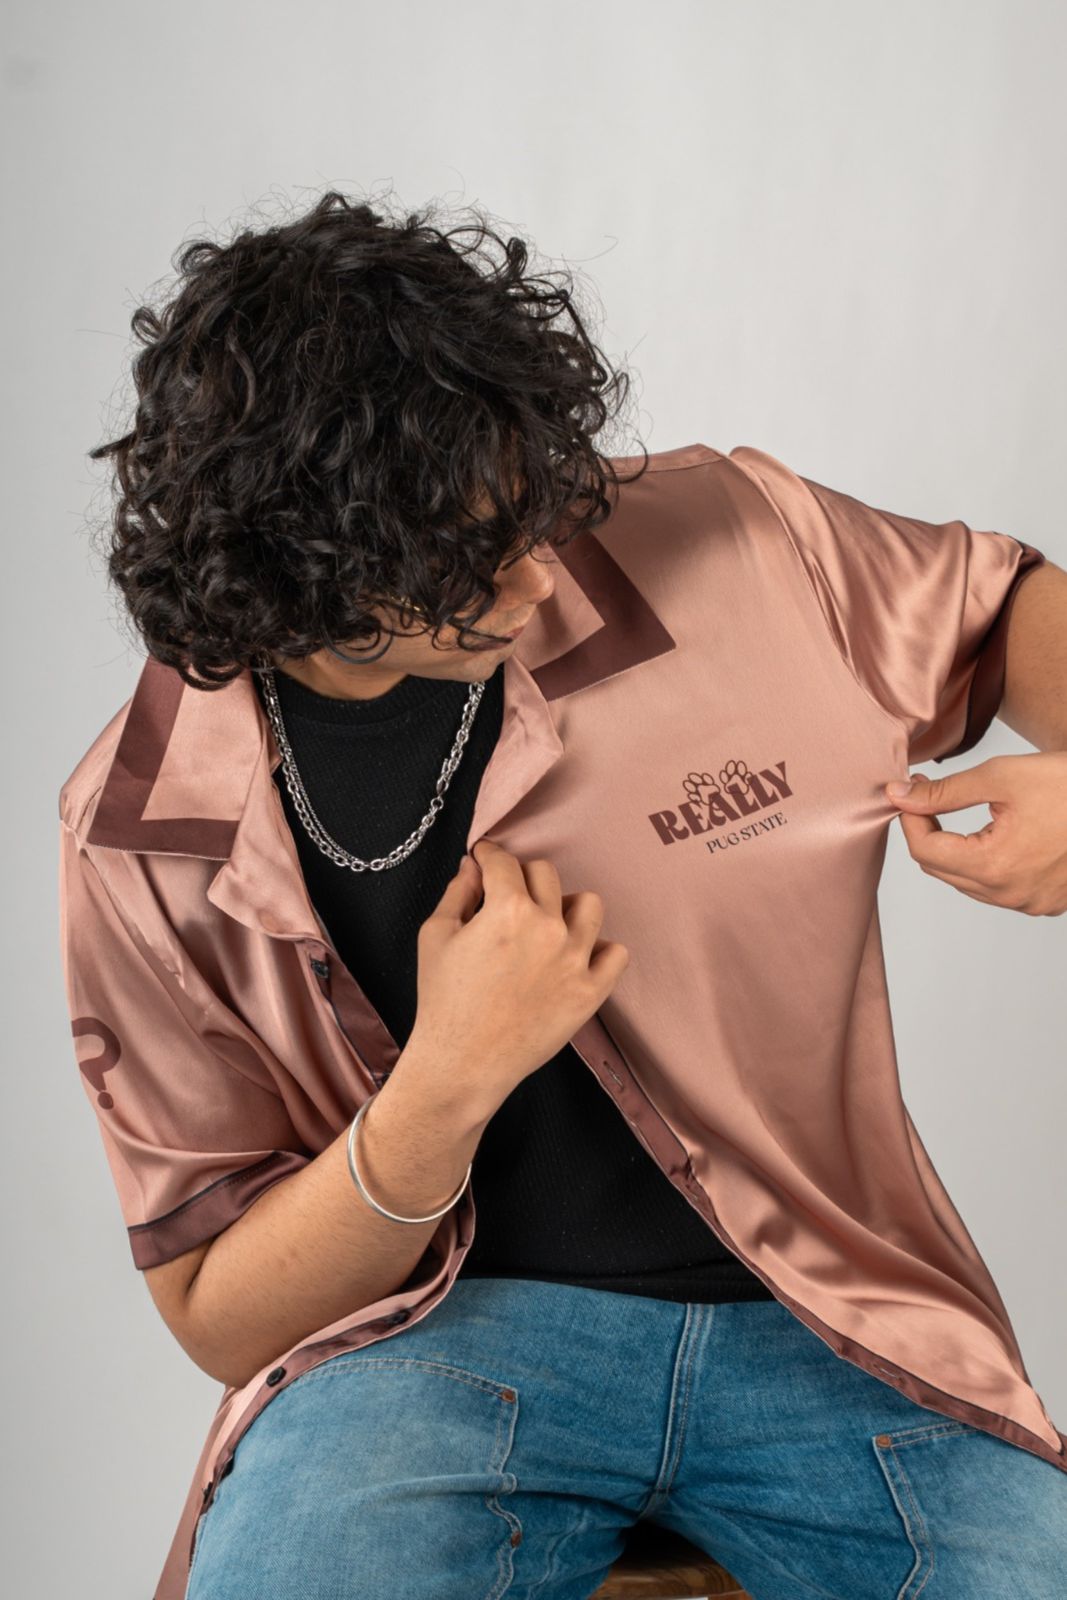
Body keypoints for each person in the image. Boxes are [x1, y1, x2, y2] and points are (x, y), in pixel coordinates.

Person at [58, 190, 1067, 1600]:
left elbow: (1006, 602)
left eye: (532, 503)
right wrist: (442, 1089)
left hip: (830, 1322)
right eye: (473, 557)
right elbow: (219, 1311)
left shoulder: (732, 537)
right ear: (307, 575)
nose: (542, 570)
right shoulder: (144, 830)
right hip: (424, 1354)